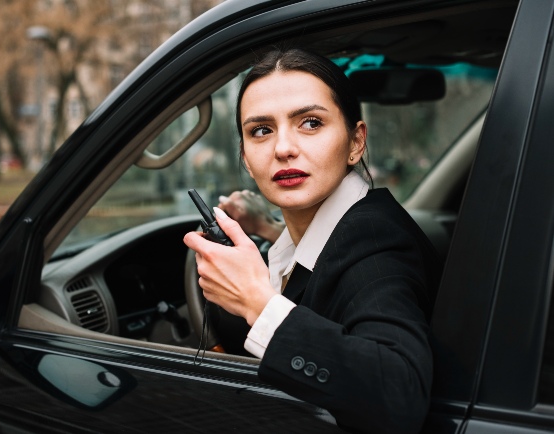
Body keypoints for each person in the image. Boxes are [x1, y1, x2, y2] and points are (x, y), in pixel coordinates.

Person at [183, 48, 442, 434]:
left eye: (310, 122)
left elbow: (399, 396)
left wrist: (256, 301)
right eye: (261, 130)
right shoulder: (332, 230)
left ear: (356, 142)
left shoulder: (376, 242)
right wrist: (271, 232)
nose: (283, 148)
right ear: (245, 157)